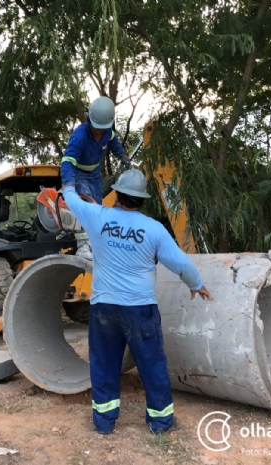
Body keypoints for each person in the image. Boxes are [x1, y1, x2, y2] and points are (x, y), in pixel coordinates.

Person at [61, 168, 214, 435]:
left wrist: (69, 181)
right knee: (151, 363)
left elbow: (70, 198)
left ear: (117, 194)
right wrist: (196, 284)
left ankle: (104, 422)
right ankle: (160, 422)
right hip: (140, 309)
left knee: (104, 363)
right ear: (142, 199)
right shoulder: (153, 229)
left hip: (104, 308)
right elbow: (179, 262)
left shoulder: (97, 216)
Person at [61, 96, 132, 260]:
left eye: (103, 128)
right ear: (89, 119)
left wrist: (122, 155)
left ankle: (95, 243)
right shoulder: (80, 136)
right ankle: (83, 247)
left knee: (97, 208)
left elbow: (114, 142)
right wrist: (68, 185)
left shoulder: (108, 132)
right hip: (78, 173)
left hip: (94, 175)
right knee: (87, 206)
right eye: (96, 127)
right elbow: (67, 161)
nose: (100, 131)